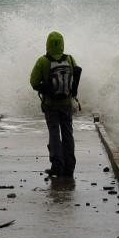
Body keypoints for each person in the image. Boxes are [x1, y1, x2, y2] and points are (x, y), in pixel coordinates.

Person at [30, 31, 81, 178]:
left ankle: (57, 166)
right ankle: (70, 167)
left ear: (47, 44)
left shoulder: (43, 61)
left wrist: (45, 88)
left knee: (54, 133)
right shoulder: (70, 59)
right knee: (68, 134)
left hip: (50, 104)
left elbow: (33, 82)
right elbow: (75, 76)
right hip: (66, 103)